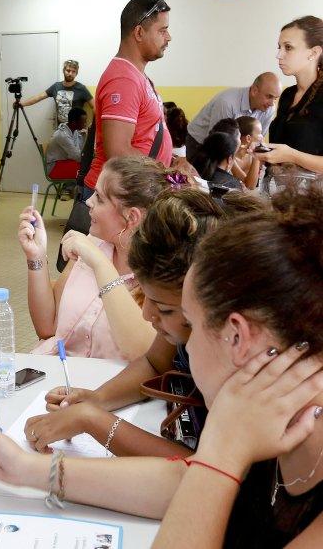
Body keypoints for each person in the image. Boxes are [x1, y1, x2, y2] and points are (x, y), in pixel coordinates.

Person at [0, 180, 323, 548]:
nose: (177, 345)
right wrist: (30, 470)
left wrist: (221, 449)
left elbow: (200, 480)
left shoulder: (242, 441)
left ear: (239, 338)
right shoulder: (272, 421)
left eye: (191, 325)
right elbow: (180, 483)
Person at [24, 189, 242, 457]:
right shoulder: (193, 322)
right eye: (147, 299)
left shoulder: (239, 366)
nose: (146, 314)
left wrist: (92, 420)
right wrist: (98, 399)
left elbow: (202, 469)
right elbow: (154, 362)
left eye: (164, 308)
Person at [21, 157, 169, 361]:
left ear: (132, 217)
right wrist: (36, 256)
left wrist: (98, 262)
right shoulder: (93, 242)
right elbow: (47, 328)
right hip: (62, 374)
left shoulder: (162, 274)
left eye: (99, 197)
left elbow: (144, 356)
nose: (88, 202)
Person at [84, 0, 174, 200]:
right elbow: (118, 151)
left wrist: (173, 161)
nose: (168, 37)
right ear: (139, 32)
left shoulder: (136, 76)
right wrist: (166, 173)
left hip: (130, 192)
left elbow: (145, 138)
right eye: (162, 30)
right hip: (114, 198)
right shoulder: (124, 79)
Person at [258, 16, 323, 174]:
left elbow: (291, 153)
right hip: (279, 191)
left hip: (314, 196)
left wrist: (293, 156)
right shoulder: (287, 95)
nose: (279, 55)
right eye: (279, 47)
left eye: (288, 47)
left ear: (314, 52)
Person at [184, 72, 281, 159]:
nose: (272, 103)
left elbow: (257, 141)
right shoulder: (227, 103)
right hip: (200, 142)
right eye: (269, 96)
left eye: (276, 98)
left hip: (232, 149)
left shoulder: (269, 108)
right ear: (254, 91)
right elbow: (218, 142)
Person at [19, 59, 95, 125]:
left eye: (73, 72)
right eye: (68, 70)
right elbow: (39, 97)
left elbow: (95, 106)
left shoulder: (81, 88)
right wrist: (22, 104)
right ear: (63, 71)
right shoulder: (56, 86)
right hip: (61, 129)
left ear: (76, 73)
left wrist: (92, 124)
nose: (70, 74)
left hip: (76, 131)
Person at [45, 106, 87, 176]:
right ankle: (72, 187)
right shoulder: (63, 135)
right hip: (54, 167)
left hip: (64, 162)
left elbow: (79, 151)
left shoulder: (74, 131)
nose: (85, 125)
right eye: (83, 123)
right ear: (74, 123)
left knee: (87, 167)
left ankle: (71, 186)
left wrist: (84, 136)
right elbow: (78, 157)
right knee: (86, 170)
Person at [230, 115, 264, 189]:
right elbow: (250, 185)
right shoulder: (231, 157)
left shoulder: (250, 155)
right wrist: (256, 157)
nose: (262, 137)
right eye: (260, 133)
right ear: (248, 138)